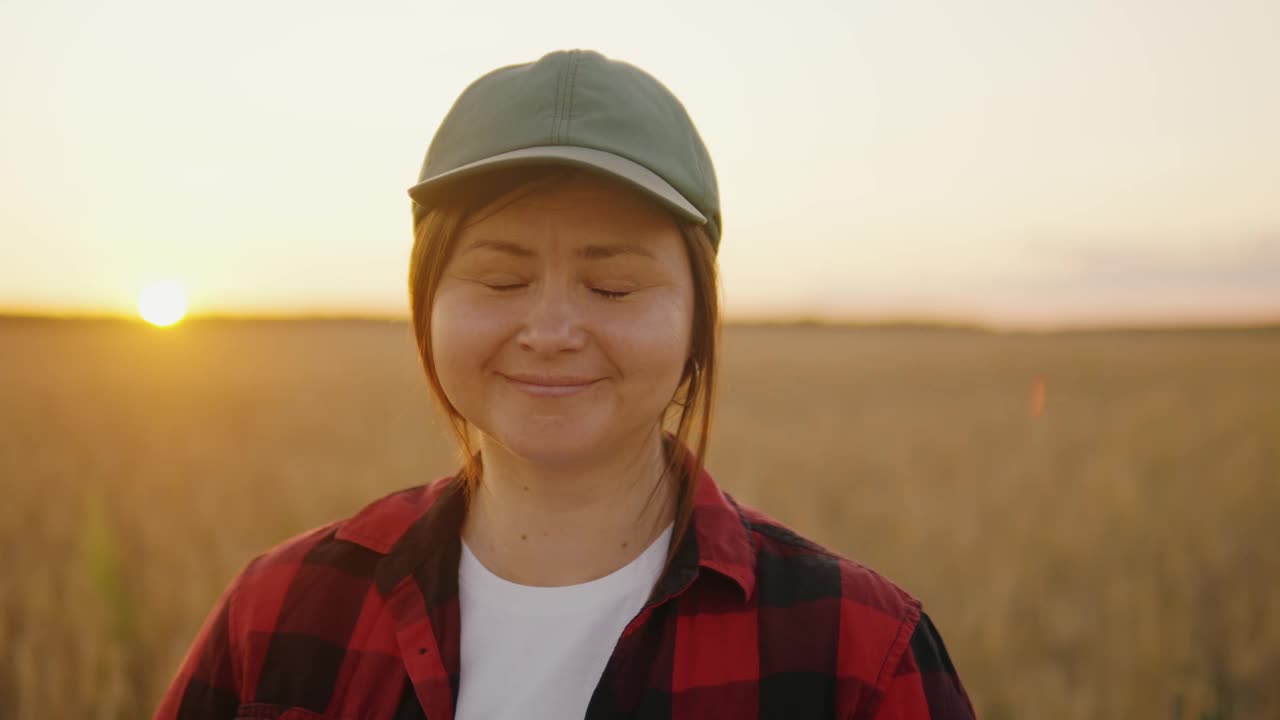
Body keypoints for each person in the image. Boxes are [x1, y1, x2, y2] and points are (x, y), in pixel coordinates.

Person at [155, 49, 977, 720]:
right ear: (426, 304)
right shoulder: (286, 613)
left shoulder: (855, 656)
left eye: (612, 287)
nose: (550, 332)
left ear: (698, 321)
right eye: (500, 280)